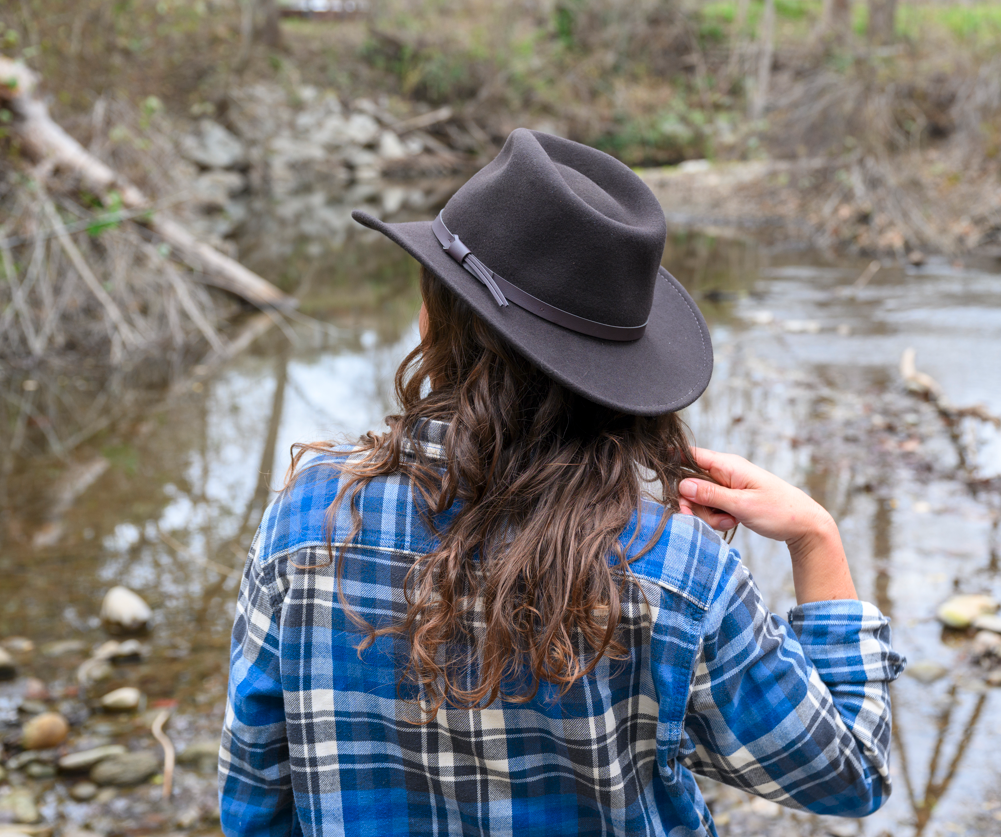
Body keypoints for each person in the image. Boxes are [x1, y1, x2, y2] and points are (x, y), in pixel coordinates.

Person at [218, 129, 905, 837]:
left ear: (434, 324)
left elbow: (253, 799)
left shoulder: (308, 516)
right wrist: (815, 538)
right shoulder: (679, 571)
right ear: (613, 374)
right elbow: (848, 774)